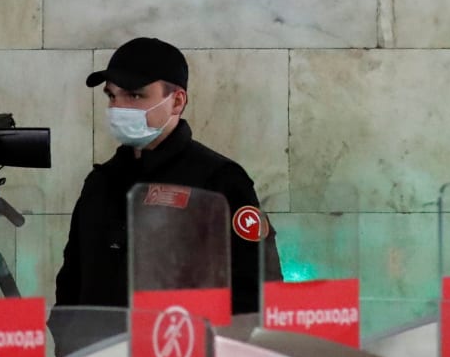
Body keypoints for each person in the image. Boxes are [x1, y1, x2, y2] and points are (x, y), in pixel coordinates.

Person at [52, 37, 281, 338]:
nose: (118, 107)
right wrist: (68, 343)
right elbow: (71, 282)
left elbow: (257, 288)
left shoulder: (219, 180)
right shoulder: (101, 182)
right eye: (111, 96)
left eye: (134, 96)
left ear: (176, 101)